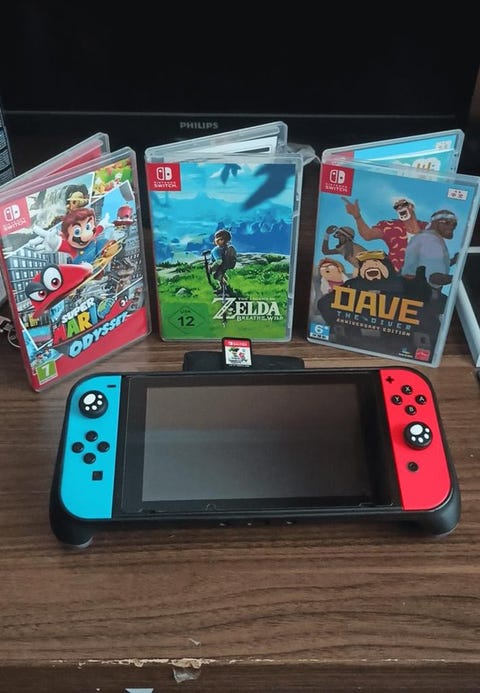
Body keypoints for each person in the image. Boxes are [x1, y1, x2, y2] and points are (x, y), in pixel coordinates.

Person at [341, 196, 427, 272]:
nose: (400, 207)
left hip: (424, 275)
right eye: (396, 206)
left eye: (404, 204)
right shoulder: (391, 227)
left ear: (412, 207)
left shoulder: (427, 227)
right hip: (397, 274)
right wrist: (357, 217)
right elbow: (367, 235)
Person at [402, 209, 459, 288]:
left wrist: (453, 260)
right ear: (435, 222)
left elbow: (431, 263)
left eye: (454, 224)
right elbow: (434, 277)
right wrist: (458, 278)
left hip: (416, 287)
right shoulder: (429, 239)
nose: (452, 226)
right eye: (447, 222)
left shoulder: (426, 237)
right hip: (424, 289)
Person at [209, 228, 236, 293]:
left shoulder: (216, 250)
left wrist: (212, 268)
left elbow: (219, 261)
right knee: (221, 275)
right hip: (224, 266)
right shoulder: (225, 248)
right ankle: (226, 287)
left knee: (217, 276)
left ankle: (223, 289)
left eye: (217, 238)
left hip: (219, 266)